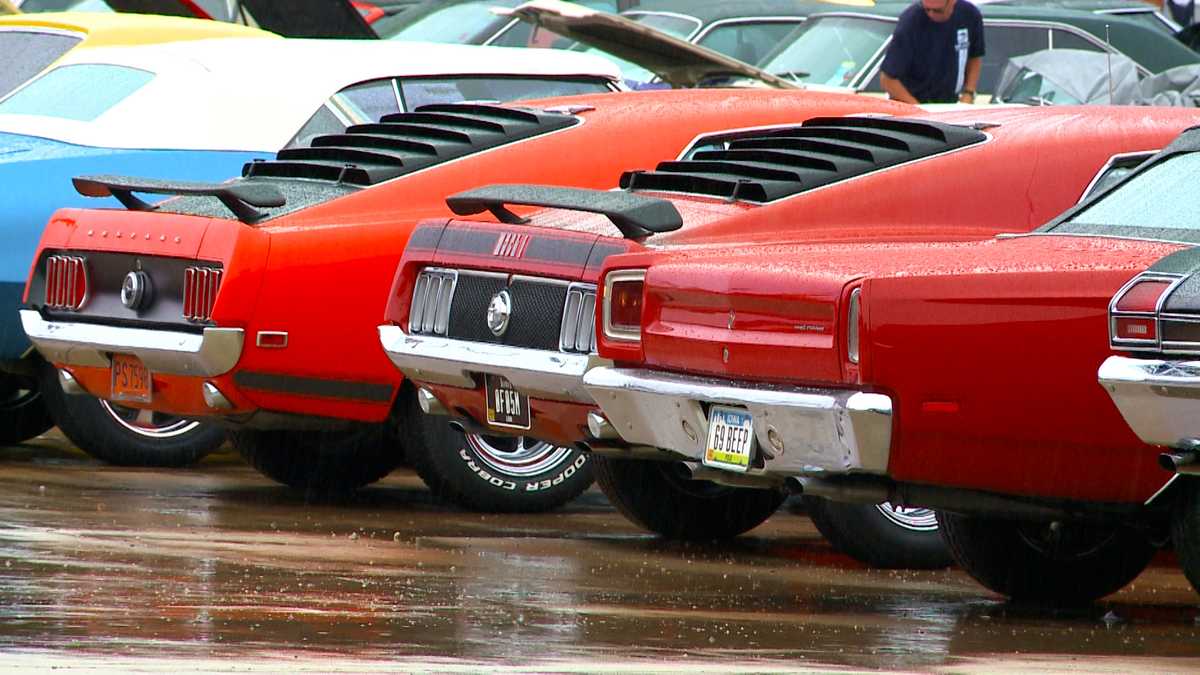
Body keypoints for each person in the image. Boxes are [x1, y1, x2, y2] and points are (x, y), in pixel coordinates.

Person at [880, 0, 985, 104]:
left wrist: (969, 93)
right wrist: (920, 110)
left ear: (952, 2)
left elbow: (974, 56)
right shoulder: (910, 21)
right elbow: (888, 79)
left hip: (949, 102)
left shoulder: (969, 15)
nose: (931, 14)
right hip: (911, 101)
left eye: (937, 11)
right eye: (927, 10)